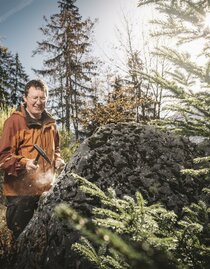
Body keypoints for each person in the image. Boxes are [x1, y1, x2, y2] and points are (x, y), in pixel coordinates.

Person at [0, 79, 65, 238]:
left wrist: (57, 159)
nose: (38, 102)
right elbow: (3, 157)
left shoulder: (51, 123)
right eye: (34, 98)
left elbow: (55, 149)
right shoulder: (14, 122)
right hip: (21, 195)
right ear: (25, 98)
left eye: (42, 98)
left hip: (46, 192)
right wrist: (24, 163)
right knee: (22, 240)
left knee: (46, 240)